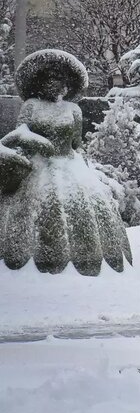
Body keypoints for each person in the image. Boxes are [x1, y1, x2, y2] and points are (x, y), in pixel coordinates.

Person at [0, 50, 132, 275]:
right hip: (37, 169)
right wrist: (37, 142)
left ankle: (90, 264)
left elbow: (76, 144)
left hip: (70, 169)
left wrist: (87, 172)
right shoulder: (31, 105)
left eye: (60, 80)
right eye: (50, 79)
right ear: (41, 83)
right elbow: (17, 135)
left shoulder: (74, 110)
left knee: (82, 217)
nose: (56, 84)